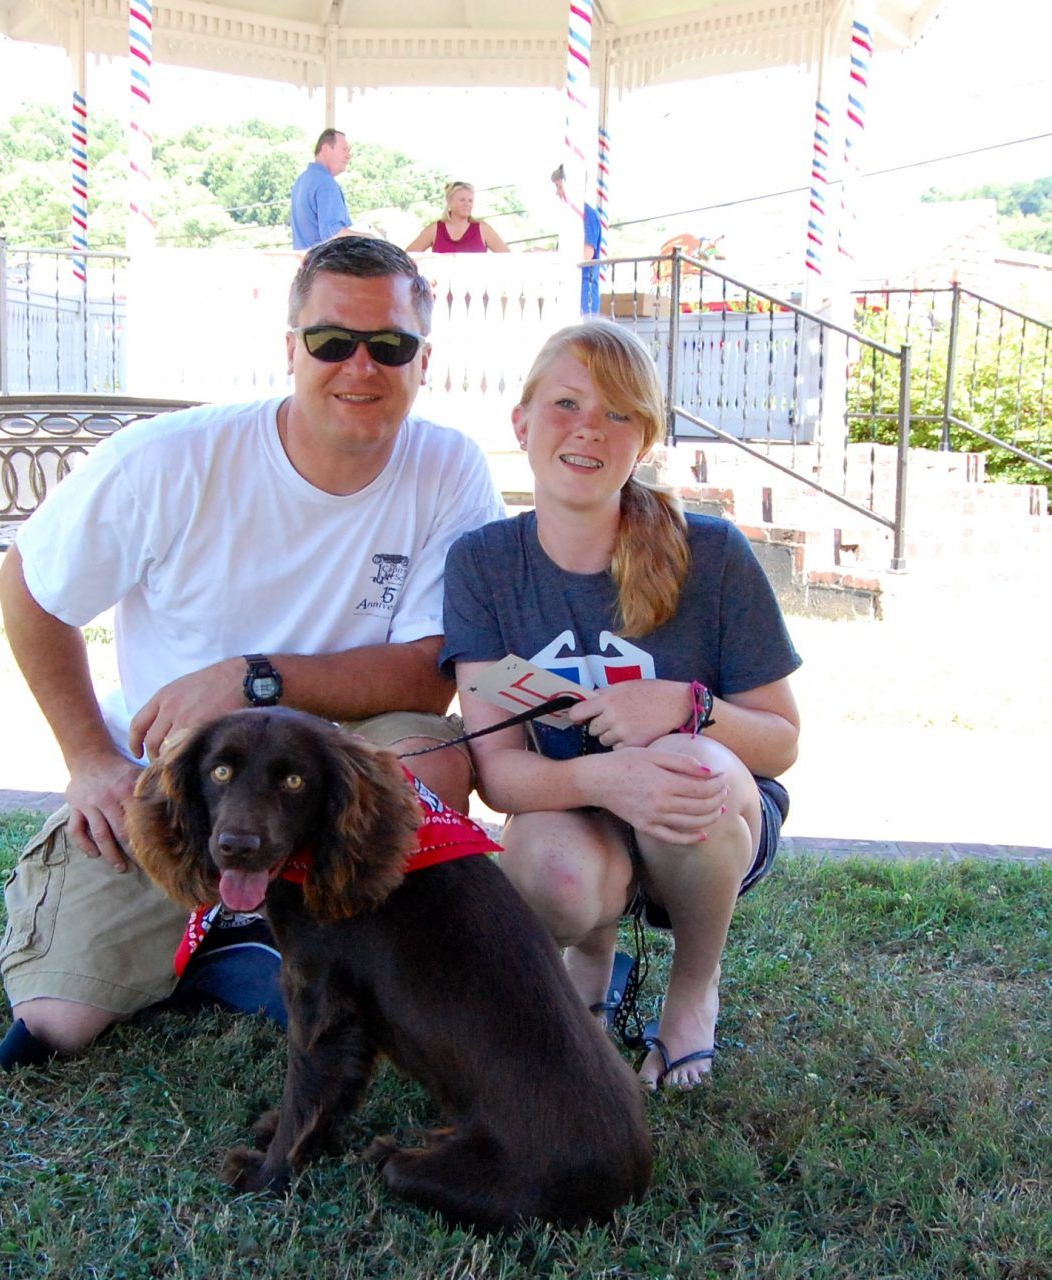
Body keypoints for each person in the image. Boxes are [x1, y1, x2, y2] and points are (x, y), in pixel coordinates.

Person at [0, 236, 506, 1069]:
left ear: (423, 361)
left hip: (332, 763)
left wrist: (249, 679)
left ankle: (306, 933)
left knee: (430, 755)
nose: (360, 366)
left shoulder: (447, 467)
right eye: (331, 341)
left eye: (390, 345)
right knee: (59, 1020)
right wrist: (89, 756)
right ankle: (232, 936)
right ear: (291, 348)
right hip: (182, 776)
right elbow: (30, 586)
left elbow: (427, 670)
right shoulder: (169, 460)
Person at [441, 320, 801, 1091]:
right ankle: (589, 952)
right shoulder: (482, 563)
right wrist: (605, 782)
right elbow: (497, 773)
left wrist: (685, 705)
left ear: (644, 439)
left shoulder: (712, 553)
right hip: (573, 806)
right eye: (566, 404)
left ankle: (691, 990)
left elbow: (778, 744)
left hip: (710, 825)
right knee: (556, 877)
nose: (587, 431)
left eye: (617, 413)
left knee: (684, 765)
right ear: (522, 423)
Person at [550, 165, 604, 315]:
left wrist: (553, 255)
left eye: (559, 187)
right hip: (571, 289)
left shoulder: (587, 214)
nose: (557, 192)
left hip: (584, 292)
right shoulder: (571, 218)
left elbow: (587, 253)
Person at [290, 128, 354, 249]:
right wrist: (372, 238)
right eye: (344, 149)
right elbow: (334, 235)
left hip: (305, 263)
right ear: (326, 149)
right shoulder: (325, 183)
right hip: (324, 265)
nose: (348, 156)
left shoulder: (302, 180)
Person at [406, 182, 510, 254]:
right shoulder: (435, 229)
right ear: (449, 201)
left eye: (470, 201)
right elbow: (407, 257)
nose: (467, 204)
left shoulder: (483, 229)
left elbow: (508, 258)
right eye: (462, 200)